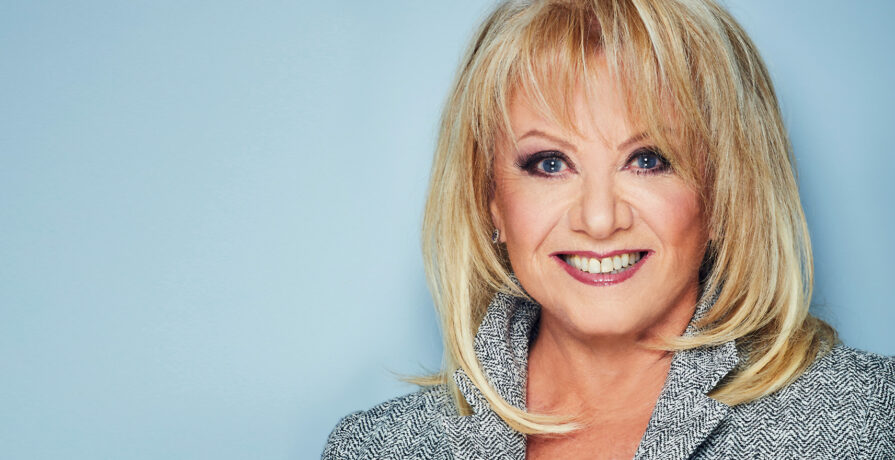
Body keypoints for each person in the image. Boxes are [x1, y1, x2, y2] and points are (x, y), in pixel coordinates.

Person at [322, 0, 895, 458]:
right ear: (490, 199)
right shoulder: (378, 448)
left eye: (648, 159)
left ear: (725, 191)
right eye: (550, 163)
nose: (599, 219)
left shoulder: (865, 419)